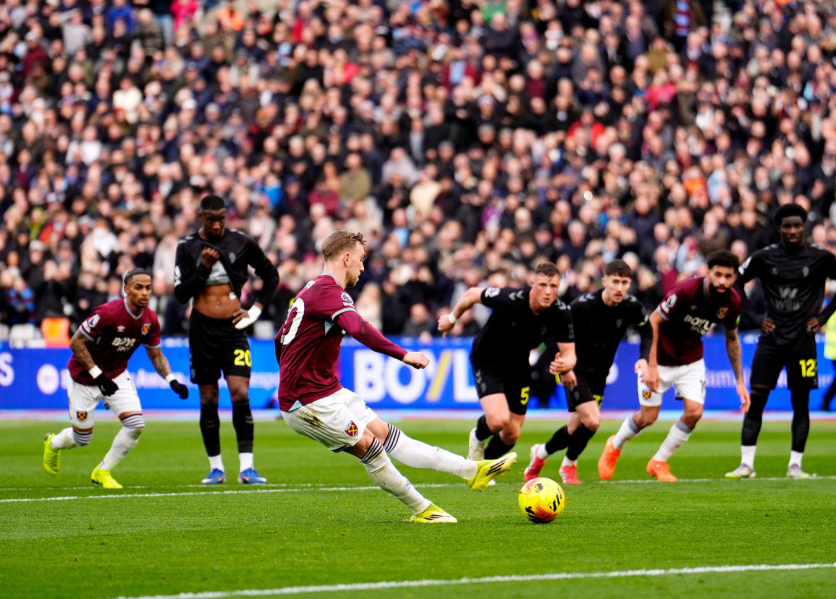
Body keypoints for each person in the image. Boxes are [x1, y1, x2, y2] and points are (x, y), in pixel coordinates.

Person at [276, 230, 516, 523]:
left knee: (387, 434)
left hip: (326, 390)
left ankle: (472, 471)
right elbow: (359, 329)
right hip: (309, 400)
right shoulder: (329, 292)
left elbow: (280, 339)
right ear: (346, 257)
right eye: (362, 259)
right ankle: (423, 509)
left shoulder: (311, 290)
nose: (363, 267)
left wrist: (296, 372)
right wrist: (403, 355)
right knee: (369, 446)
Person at [596, 251, 750, 482]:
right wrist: (652, 365)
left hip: (691, 360)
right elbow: (654, 321)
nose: (722, 281)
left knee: (695, 412)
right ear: (708, 272)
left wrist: (739, 381)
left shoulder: (733, 302)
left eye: (728, 276)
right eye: (717, 274)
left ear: (734, 278)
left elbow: (731, 339)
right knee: (648, 418)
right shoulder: (686, 291)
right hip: (659, 358)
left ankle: (658, 462)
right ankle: (614, 444)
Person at [725, 203, 836, 480]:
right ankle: (747, 464)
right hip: (770, 340)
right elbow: (736, 282)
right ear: (779, 228)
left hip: (803, 341)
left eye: (797, 225)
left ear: (804, 227)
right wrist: (756, 317)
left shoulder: (820, 257)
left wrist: (824, 316)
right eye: (787, 226)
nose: (792, 230)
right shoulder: (764, 257)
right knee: (756, 400)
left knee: (801, 404)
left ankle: (795, 465)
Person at [42, 268, 189, 488]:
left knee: (136, 424)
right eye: (138, 287)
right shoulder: (108, 313)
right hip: (85, 377)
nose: (144, 292)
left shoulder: (150, 320)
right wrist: (97, 375)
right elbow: (76, 343)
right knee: (82, 439)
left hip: (117, 374)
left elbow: (156, 354)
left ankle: (102, 471)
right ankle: (52, 443)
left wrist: (171, 379)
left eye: (148, 287)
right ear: (126, 289)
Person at [174, 194, 280, 484]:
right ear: (201, 218)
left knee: (240, 393)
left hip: (234, 329)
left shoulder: (241, 242)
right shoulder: (187, 247)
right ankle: (216, 468)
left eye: (222, 218)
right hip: (202, 330)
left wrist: (256, 311)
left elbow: (271, 275)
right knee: (208, 397)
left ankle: (247, 468)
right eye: (211, 219)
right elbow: (181, 294)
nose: (218, 224)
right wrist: (203, 269)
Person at [523, 260, 652, 484]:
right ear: (604, 282)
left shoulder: (632, 306)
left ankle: (540, 453)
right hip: (575, 370)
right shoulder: (582, 306)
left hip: (599, 374)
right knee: (592, 420)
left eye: (625, 282)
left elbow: (647, 331)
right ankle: (569, 465)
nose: (620, 288)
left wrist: (644, 358)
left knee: (576, 428)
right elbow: (557, 332)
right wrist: (563, 367)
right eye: (615, 282)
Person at [439, 261, 576, 463]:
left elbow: (569, 353)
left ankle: (483, 465)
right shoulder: (510, 299)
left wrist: (567, 366)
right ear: (532, 283)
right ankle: (477, 437)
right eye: (542, 285)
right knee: (498, 420)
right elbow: (472, 294)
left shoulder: (561, 312)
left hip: (518, 365)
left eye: (553, 286)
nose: (548, 291)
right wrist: (452, 319)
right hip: (488, 360)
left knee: (512, 433)